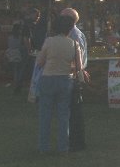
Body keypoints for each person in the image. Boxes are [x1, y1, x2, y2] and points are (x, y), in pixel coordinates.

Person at [36, 15, 82, 154]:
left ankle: (44, 146)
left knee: (45, 114)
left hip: (48, 78)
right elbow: (78, 67)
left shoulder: (49, 41)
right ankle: (63, 146)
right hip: (65, 80)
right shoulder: (74, 44)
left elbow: (40, 63)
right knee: (63, 116)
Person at [62, 8, 88, 151]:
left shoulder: (75, 36)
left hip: (73, 77)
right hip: (72, 74)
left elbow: (79, 59)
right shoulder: (70, 34)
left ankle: (76, 141)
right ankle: (72, 139)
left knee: (74, 111)